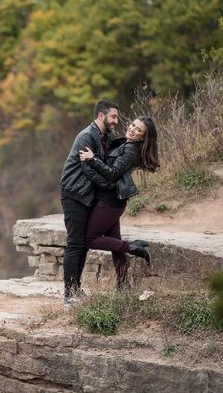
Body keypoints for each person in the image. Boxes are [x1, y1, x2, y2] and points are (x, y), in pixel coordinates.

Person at [78, 116, 160, 289]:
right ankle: (123, 286)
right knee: (115, 245)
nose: (132, 129)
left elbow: (113, 172)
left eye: (138, 130)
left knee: (90, 239)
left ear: (143, 137)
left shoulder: (131, 149)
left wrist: (92, 159)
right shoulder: (127, 144)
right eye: (133, 125)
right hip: (113, 201)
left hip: (109, 202)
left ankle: (132, 247)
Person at [60, 100, 120, 307]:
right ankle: (69, 295)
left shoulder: (104, 137)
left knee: (83, 244)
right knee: (75, 244)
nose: (116, 121)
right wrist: (111, 183)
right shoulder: (87, 136)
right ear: (101, 116)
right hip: (74, 195)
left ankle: (76, 289)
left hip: (87, 196)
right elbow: (89, 170)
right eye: (113, 117)